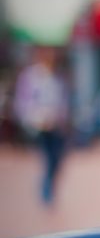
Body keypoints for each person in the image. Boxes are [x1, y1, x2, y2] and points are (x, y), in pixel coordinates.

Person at [15, 47, 70, 205]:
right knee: (47, 159)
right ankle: (46, 193)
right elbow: (23, 103)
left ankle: (49, 188)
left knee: (57, 160)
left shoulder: (59, 77)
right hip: (40, 126)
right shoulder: (31, 77)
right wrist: (35, 118)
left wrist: (62, 119)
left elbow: (64, 101)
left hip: (57, 125)